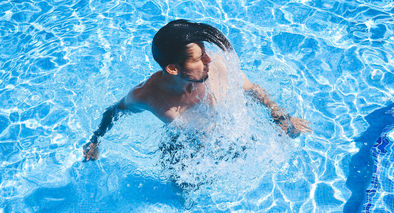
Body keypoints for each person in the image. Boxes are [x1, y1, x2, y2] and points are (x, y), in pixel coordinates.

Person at [83, 19, 311, 161]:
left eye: (204, 51)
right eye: (199, 57)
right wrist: (95, 141)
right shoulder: (149, 95)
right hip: (187, 148)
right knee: (182, 192)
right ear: (173, 68)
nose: (209, 58)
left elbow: (251, 89)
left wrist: (278, 112)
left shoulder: (217, 67)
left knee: (285, 138)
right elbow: (114, 111)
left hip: (230, 136)